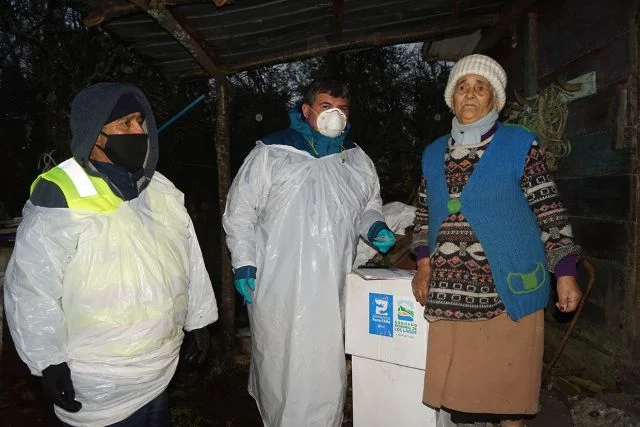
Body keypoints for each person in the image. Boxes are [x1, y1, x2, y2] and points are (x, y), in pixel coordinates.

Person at [4, 82, 219, 426]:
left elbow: (188, 256)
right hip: (96, 378)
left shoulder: (159, 188)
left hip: (159, 368)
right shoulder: (61, 191)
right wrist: (48, 360)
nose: (139, 132)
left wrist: (198, 320)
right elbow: (32, 285)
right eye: (125, 124)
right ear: (95, 132)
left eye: (140, 121)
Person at [410, 54, 582, 427]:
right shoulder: (432, 153)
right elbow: (423, 216)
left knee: (510, 391)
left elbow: (549, 210)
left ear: (495, 99)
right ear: (450, 97)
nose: (469, 95)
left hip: (507, 288)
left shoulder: (520, 145)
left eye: (480, 87)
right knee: (463, 390)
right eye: (462, 87)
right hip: (453, 290)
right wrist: (423, 265)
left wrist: (565, 270)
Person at [223, 78, 396, 426]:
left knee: (325, 370)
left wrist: (374, 225)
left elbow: (368, 205)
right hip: (278, 288)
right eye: (326, 106)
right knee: (280, 366)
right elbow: (240, 212)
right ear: (306, 110)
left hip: (331, 290)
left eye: (343, 109)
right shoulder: (272, 152)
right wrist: (244, 263)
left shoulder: (356, 160)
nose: (335, 115)